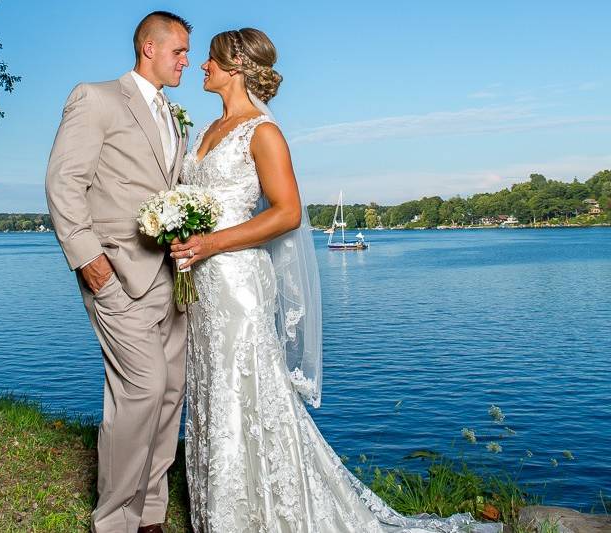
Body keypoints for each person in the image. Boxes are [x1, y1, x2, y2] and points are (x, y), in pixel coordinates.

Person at [170, 28, 502, 532]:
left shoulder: (262, 133)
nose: (201, 67)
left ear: (235, 67)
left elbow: (287, 213)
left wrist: (214, 242)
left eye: (210, 59)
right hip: (203, 287)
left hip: (238, 284)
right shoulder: (206, 132)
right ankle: (220, 511)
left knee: (242, 392)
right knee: (211, 393)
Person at [45, 11, 191, 533]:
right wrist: (92, 265)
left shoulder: (174, 115)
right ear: (148, 48)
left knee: (171, 390)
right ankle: (113, 520)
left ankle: (149, 512)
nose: (186, 61)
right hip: (117, 274)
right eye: (178, 51)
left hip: (172, 279)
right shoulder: (96, 97)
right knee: (143, 389)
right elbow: (65, 184)